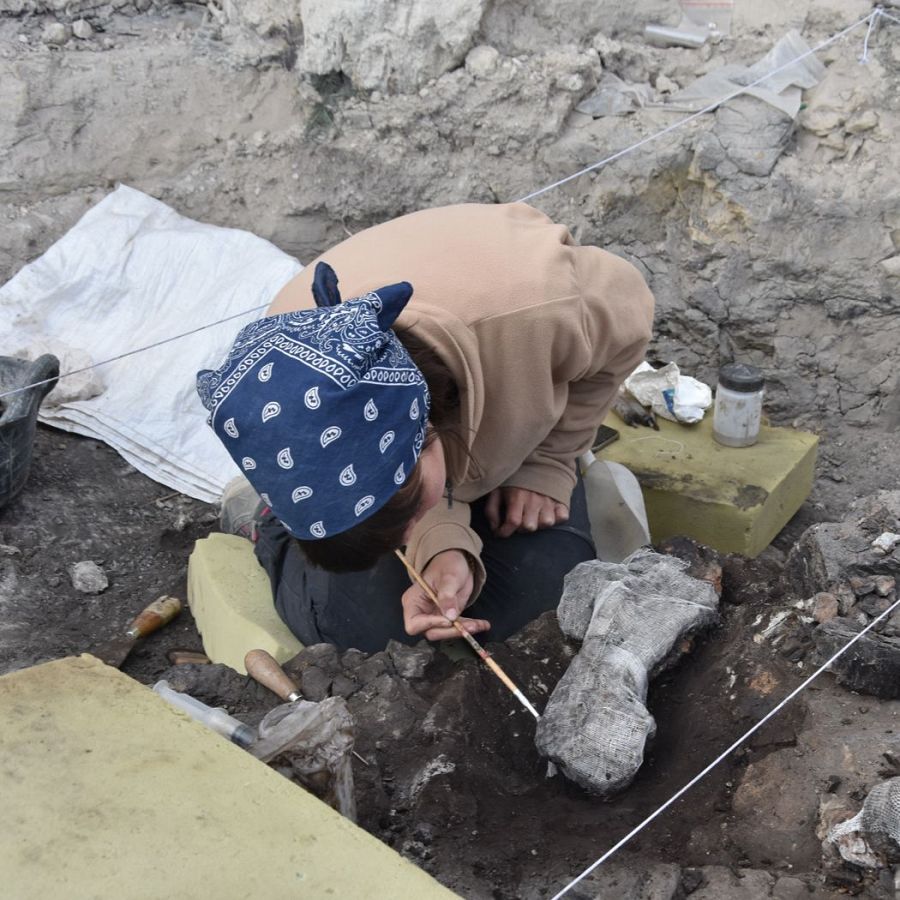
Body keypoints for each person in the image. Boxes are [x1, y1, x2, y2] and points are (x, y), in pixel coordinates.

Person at [197, 202, 654, 653]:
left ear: (426, 438)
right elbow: (402, 475)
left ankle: (562, 466)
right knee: (372, 632)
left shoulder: (546, 308)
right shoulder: (281, 371)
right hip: (431, 449)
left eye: (407, 518)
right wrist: (439, 547)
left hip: (516, 414)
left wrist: (549, 461)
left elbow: (630, 323)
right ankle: (272, 526)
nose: (403, 542)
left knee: (548, 605)